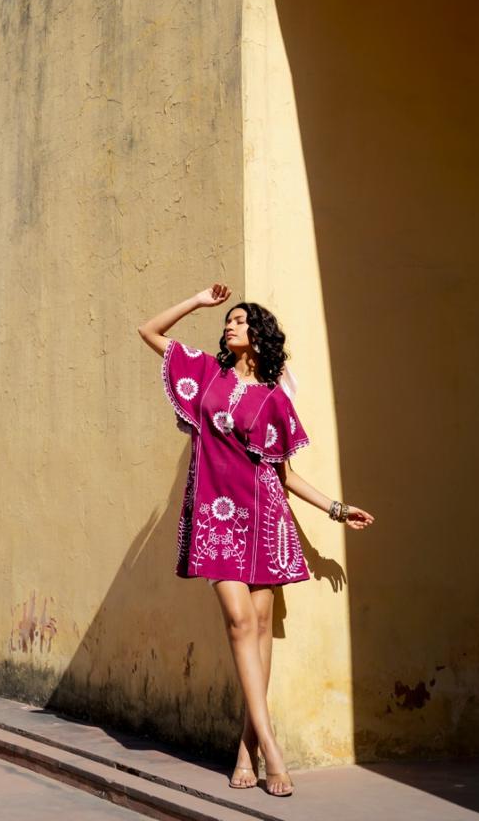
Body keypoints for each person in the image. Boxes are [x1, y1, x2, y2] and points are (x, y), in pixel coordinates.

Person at [138, 283, 374, 797]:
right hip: (216, 516)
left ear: (259, 335)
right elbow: (149, 331)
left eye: (241, 321)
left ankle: (244, 748)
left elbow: (284, 474)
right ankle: (272, 748)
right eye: (228, 321)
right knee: (240, 622)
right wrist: (197, 301)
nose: (230, 325)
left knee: (263, 626)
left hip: (264, 516)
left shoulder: (273, 399)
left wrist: (336, 509)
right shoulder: (206, 374)